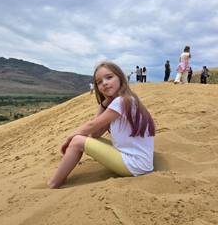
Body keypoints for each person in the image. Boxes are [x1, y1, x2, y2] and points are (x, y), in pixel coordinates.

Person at [47, 61, 155, 189]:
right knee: (88, 139)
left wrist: (69, 138)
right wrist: (104, 104)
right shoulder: (124, 100)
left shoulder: (122, 101)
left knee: (77, 141)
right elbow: (95, 133)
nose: (104, 83)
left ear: (120, 78)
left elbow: (92, 125)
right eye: (99, 82)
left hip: (135, 164)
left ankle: (53, 184)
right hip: (138, 162)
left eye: (109, 77)